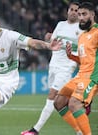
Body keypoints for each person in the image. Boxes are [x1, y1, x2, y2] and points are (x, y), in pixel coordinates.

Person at [21, 2, 84, 135]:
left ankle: (35, 130)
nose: (73, 12)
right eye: (71, 9)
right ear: (67, 11)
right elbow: (52, 44)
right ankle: (79, 131)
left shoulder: (82, 29)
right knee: (58, 103)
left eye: (76, 10)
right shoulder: (60, 25)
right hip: (53, 65)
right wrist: (48, 38)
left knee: (52, 95)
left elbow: (83, 50)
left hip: (66, 68)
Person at [54, 2, 98, 135]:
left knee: (74, 103)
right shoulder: (82, 36)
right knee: (59, 102)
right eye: (79, 15)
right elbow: (84, 60)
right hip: (80, 76)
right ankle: (79, 131)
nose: (81, 17)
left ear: (92, 15)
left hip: (91, 77)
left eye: (84, 14)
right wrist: (71, 56)